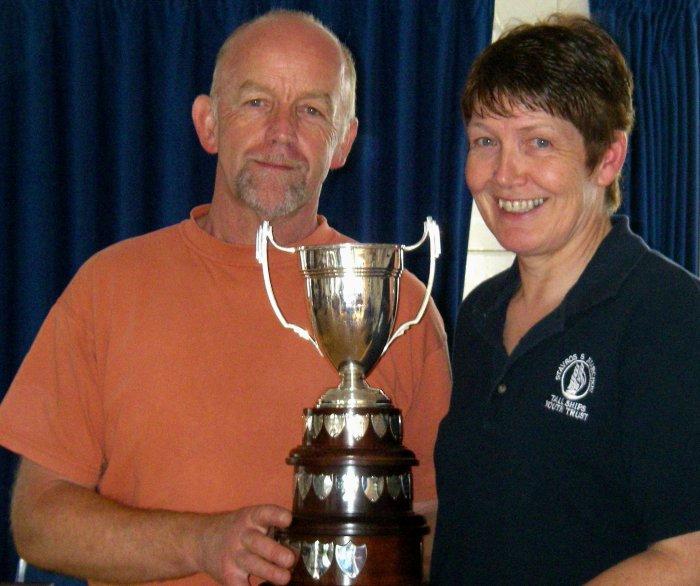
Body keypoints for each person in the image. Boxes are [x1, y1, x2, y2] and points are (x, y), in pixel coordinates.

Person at [0, 10, 451, 586]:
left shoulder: (402, 309)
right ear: (208, 124)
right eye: (256, 103)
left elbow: (434, 534)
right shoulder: (108, 287)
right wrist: (201, 543)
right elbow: (37, 521)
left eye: (312, 110)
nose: (281, 134)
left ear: (343, 142)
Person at [431, 13, 700, 585]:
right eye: (485, 142)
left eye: (539, 142)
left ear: (607, 159)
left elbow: (688, 558)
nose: (506, 174)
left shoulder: (670, 317)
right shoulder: (480, 313)